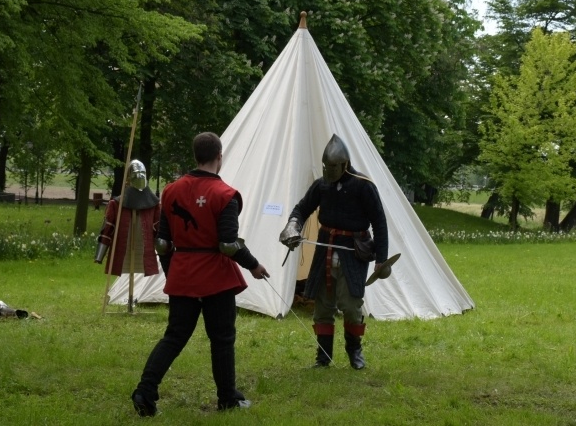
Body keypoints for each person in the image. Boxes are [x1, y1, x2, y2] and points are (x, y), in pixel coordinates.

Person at [131, 132, 269, 416]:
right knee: (222, 338)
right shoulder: (225, 195)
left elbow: (163, 243)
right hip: (215, 276)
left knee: (174, 336)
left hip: (183, 272)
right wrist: (254, 265)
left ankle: (145, 392)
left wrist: (175, 273)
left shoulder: (171, 191)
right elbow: (228, 245)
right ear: (220, 157)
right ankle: (227, 398)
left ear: (196, 156)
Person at [279, 134, 388, 369]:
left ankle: (355, 351)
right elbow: (302, 208)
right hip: (325, 249)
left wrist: (381, 258)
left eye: (333, 166)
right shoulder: (322, 185)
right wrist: (292, 227)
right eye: (326, 166)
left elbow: (379, 221)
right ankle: (323, 357)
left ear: (344, 164)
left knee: (351, 307)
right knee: (323, 307)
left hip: (354, 252)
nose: (329, 170)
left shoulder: (363, 186)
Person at [95, 160, 160, 281]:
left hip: (143, 248)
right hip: (124, 246)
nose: (139, 175)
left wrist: (164, 249)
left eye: (142, 172)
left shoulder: (154, 205)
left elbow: (158, 230)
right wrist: (99, 256)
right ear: (129, 177)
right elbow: (107, 229)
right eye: (136, 172)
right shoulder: (116, 204)